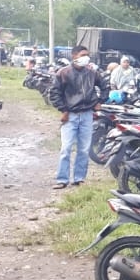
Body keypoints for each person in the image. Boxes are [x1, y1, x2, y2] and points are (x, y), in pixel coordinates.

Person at [47, 45, 107, 189]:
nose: (86, 57)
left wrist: (100, 102)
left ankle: (79, 178)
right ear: (74, 56)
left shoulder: (93, 73)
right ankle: (62, 179)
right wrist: (64, 110)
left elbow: (105, 86)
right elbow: (55, 93)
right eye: (83, 54)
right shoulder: (64, 73)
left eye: (87, 54)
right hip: (71, 116)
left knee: (84, 149)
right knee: (66, 148)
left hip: (87, 115)